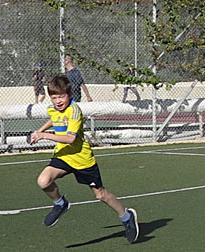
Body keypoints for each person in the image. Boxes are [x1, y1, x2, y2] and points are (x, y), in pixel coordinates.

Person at [28, 74, 139, 243]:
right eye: (54, 97)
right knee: (43, 181)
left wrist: (43, 135)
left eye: (62, 97)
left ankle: (126, 217)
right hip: (64, 155)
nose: (58, 101)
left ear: (70, 95)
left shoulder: (74, 112)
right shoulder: (54, 109)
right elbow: (55, 119)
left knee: (101, 195)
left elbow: (70, 138)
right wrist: (38, 130)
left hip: (82, 159)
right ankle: (60, 204)